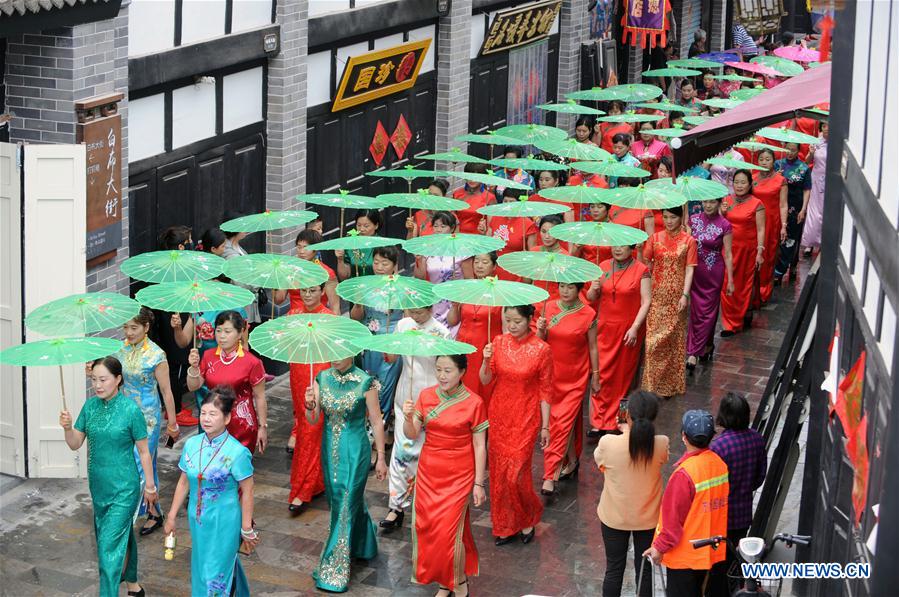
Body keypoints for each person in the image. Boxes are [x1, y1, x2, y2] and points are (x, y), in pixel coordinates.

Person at [59, 356, 156, 597]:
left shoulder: (131, 410)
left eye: (103, 379)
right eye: (94, 380)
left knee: (107, 547)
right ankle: (133, 585)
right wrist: (67, 428)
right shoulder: (89, 407)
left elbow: (144, 451)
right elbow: (75, 444)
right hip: (99, 487)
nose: (98, 385)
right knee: (119, 534)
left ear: (118, 379)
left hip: (125, 487)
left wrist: (151, 486)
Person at [404, 354, 488, 597]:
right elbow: (411, 434)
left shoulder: (474, 402)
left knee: (449, 531)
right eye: (438, 369)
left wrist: (478, 483)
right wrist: (408, 417)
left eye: (448, 370)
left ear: (462, 372)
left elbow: (480, 446)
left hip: (460, 473)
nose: (442, 375)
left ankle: (458, 585)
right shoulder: (426, 396)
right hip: (430, 471)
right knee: (431, 530)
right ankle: (448, 581)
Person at [304, 355, 388, 592]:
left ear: (352, 352)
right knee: (339, 502)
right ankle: (364, 544)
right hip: (329, 449)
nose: (335, 359)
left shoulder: (365, 382)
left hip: (356, 451)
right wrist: (309, 406)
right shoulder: (322, 378)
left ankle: (333, 568)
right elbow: (313, 419)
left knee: (345, 504)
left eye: (340, 354)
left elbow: (376, 421)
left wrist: (380, 457)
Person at [163, 387, 256, 597]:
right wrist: (171, 516)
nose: (206, 419)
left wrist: (246, 527)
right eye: (203, 413)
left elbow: (248, 491)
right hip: (197, 520)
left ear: (227, 418)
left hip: (224, 520)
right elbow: (183, 483)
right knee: (201, 569)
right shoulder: (192, 444)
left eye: (213, 414)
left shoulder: (237, 452)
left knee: (215, 574)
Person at [479, 305, 553, 545]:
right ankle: (505, 524)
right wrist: (485, 359)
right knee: (500, 473)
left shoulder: (542, 349)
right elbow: (485, 379)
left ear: (530, 319)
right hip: (500, 413)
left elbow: (546, 389)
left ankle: (528, 515)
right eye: (508, 320)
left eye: (517, 321)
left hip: (526, 415)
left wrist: (545, 426)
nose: (511, 326)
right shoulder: (498, 343)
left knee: (516, 474)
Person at [643, 410, 729, 597]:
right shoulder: (720, 465)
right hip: (710, 551)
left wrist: (659, 548)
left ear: (684, 436)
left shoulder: (684, 475)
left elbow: (672, 521)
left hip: (685, 557)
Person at [380, 306, 450, 531]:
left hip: (430, 398)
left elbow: (446, 368)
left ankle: (429, 505)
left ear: (430, 308)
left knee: (427, 454)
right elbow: (391, 359)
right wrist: (389, 346)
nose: (416, 316)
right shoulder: (402, 325)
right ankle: (396, 506)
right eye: (413, 311)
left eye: (421, 312)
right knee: (401, 453)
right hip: (405, 399)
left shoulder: (441, 332)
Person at [595, 391, 669, 597]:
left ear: (627, 416)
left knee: (614, 570)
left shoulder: (608, 443)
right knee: (644, 571)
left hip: (614, 518)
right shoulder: (661, 443)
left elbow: (599, 461)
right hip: (648, 519)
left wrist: (624, 433)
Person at [113, 307, 179, 535]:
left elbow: (166, 391)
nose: (129, 332)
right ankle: (154, 512)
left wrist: (172, 423)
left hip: (148, 418)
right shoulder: (121, 349)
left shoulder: (156, 355)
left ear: (146, 327)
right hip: (125, 413)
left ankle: (128, 516)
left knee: (142, 464)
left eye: (134, 328)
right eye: (126, 327)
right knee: (138, 464)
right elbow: (113, 379)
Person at [536, 282, 600, 494]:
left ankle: (549, 475)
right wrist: (541, 330)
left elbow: (592, 346)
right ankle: (571, 461)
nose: (564, 291)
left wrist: (596, 376)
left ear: (579, 289)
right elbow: (540, 343)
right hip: (551, 374)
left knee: (561, 423)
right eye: (562, 286)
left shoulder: (588, 313)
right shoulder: (549, 307)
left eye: (570, 288)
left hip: (575, 378)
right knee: (558, 421)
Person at [586, 245, 651, 437]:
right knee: (601, 374)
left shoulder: (642, 270)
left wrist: (635, 327)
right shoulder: (603, 266)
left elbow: (646, 301)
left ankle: (620, 421)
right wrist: (593, 289)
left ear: (631, 248)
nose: (617, 249)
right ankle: (599, 421)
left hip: (628, 332)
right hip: (604, 330)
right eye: (614, 246)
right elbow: (590, 298)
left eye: (622, 246)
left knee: (624, 379)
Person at [709, 393, 767, 595]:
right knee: (737, 560)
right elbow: (760, 477)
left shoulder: (718, 447)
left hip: (721, 516)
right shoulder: (757, 439)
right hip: (743, 514)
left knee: (718, 565)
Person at [187, 311, 268, 453]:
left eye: (227, 331)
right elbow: (194, 385)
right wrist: (193, 368)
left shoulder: (252, 362)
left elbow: (260, 397)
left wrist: (262, 427)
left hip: (241, 424)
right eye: (218, 330)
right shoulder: (208, 356)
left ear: (240, 333)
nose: (222, 336)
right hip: (213, 422)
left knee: (238, 470)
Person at [641, 206, 697, 398]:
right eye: (665, 217)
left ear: (681, 218)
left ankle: (668, 386)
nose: (669, 221)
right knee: (653, 342)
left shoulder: (689, 241)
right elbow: (645, 264)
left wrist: (685, 295)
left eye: (673, 217)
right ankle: (651, 384)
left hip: (677, 299)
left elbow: (690, 269)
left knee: (673, 342)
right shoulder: (654, 238)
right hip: (656, 296)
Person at [285, 284, 331, 513]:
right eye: (303, 291)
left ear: (322, 291)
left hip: (320, 374)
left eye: (313, 290)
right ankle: (317, 482)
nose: (308, 295)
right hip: (298, 373)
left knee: (313, 428)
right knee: (304, 426)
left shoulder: (330, 318)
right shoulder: (292, 316)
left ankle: (302, 489)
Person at [150, 225, 197, 427]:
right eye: (188, 242)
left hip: (169, 314)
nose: (192, 245)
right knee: (176, 362)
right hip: (172, 314)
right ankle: (175, 411)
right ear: (180, 247)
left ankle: (175, 407)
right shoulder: (174, 271)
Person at [350, 245, 404, 415]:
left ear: (395, 265)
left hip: (391, 343)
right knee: (370, 383)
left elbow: (408, 319)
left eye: (385, 263)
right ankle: (370, 424)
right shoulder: (366, 286)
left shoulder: (402, 288)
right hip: (370, 342)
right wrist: (358, 303)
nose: (379, 268)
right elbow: (356, 317)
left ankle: (382, 423)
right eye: (376, 262)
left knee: (386, 386)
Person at [447, 252, 504, 400]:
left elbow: (506, 328)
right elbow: (453, 321)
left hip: (487, 347)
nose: (479, 265)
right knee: (461, 384)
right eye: (476, 261)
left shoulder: (500, 292)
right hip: (464, 345)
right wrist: (454, 307)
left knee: (483, 387)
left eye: (485, 262)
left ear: (494, 266)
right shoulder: (466, 288)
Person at [687, 199, 734, 369]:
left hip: (714, 271)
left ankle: (693, 352)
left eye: (712, 202)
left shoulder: (725, 225)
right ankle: (706, 346)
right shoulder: (693, 219)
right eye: (705, 202)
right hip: (695, 269)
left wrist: (731, 280)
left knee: (708, 312)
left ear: (720, 203)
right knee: (696, 311)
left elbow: (728, 254)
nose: (708, 205)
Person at [720, 170, 766, 337]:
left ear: (749, 184)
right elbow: (720, 224)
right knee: (726, 284)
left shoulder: (757, 204)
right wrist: (722, 213)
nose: (739, 185)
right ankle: (728, 323)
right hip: (728, 249)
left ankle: (740, 317)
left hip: (747, 250)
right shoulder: (727, 201)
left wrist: (760, 251)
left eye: (743, 182)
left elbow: (761, 229)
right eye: (736, 182)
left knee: (742, 286)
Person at [413, 211, 470, 331]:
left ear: (452, 228)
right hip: (435, 298)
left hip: (455, 298)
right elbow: (420, 278)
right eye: (436, 226)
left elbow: (470, 279)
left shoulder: (462, 249)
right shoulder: (427, 248)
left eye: (443, 226)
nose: (438, 230)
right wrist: (419, 260)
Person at [752, 149, 788, 303]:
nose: (764, 162)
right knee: (752, 256)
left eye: (767, 159)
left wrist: (784, 225)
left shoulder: (781, 180)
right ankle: (751, 290)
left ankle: (764, 290)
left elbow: (783, 205)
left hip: (772, 223)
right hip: (753, 222)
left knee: (768, 256)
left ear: (774, 161)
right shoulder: (752, 178)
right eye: (761, 159)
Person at [273, 229, 339, 312]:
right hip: (295, 318)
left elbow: (335, 307)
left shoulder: (326, 273)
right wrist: (275, 279)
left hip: (317, 319)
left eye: (306, 248)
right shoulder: (290, 269)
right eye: (299, 247)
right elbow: (278, 300)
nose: (301, 251)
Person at [773, 143, 811, 285]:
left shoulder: (803, 168)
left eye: (793, 150)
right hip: (777, 205)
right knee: (776, 238)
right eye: (787, 149)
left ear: (798, 151)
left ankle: (782, 269)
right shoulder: (777, 164)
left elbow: (807, 189)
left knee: (791, 239)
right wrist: (775, 176)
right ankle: (774, 268)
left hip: (795, 207)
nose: (789, 152)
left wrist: (803, 209)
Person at [221, 215, 261, 325]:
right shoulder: (231, 255)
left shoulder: (236, 245)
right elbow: (241, 283)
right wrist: (259, 280)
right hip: (240, 303)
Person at [527, 214, 569, 302]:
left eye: (551, 233)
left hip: (554, 302)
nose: (547, 236)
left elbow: (566, 287)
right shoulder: (534, 251)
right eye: (543, 231)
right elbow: (527, 280)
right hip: (534, 300)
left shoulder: (565, 257)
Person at [800, 122, 828, 254]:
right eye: (824, 126)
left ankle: (825, 241)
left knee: (826, 212)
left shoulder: (839, 143)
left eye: (829, 125)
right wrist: (811, 153)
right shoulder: (816, 142)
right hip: (816, 180)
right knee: (814, 212)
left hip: (830, 181)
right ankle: (810, 243)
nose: (826, 128)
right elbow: (807, 162)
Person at [488, 187, 540, 256]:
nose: (508, 205)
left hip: (515, 263)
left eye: (512, 202)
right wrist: (483, 232)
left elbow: (533, 252)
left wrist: (527, 254)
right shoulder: (495, 217)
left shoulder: (528, 224)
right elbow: (487, 244)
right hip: (495, 262)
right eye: (505, 201)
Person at [336, 209, 382, 280]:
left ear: (376, 225)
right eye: (359, 225)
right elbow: (343, 277)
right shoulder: (349, 243)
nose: (361, 229)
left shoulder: (384, 245)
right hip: (354, 287)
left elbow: (392, 274)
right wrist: (340, 260)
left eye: (366, 226)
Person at [453, 162, 497, 234]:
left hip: (478, 238)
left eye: (476, 177)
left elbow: (491, 227)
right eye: (469, 176)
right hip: (458, 237)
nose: (472, 180)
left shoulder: (489, 197)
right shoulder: (457, 194)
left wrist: (485, 232)